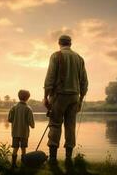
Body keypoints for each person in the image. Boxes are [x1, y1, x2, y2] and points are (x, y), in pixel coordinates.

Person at [43, 34, 88, 163]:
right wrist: (80, 99)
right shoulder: (79, 58)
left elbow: (50, 78)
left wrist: (46, 96)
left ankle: (52, 158)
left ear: (59, 43)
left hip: (59, 96)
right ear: (70, 44)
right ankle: (68, 158)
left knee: (55, 125)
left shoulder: (56, 56)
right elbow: (84, 82)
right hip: (74, 97)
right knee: (70, 126)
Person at [8, 89, 35, 168]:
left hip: (15, 132)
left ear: (18, 96)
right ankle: (24, 164)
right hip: (24, 133)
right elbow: (32, 124)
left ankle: (13, 164)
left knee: (15, 148)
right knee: (23, 149)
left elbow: (9, 120)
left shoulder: (13, 107)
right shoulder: (28, 109)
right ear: (27, 98)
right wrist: (32, 125)